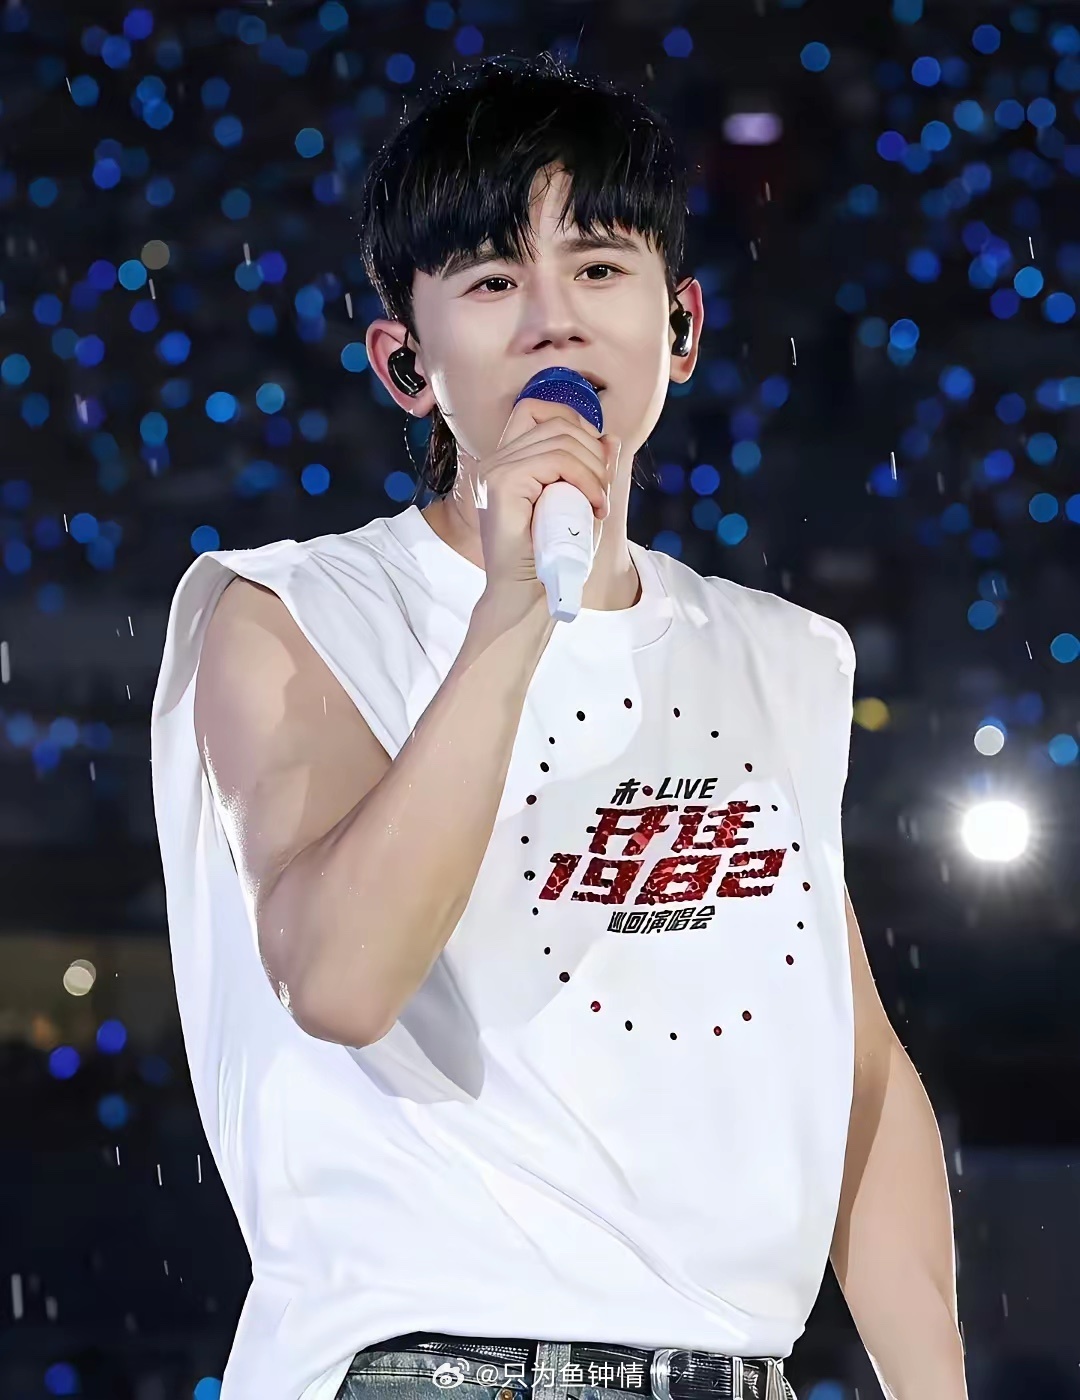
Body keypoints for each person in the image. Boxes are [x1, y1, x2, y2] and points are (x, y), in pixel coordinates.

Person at [150, 53, 966, 1400]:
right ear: (406, 364)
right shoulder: (294, 612)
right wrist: (516, 607)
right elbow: (341, 980)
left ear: (680, 326)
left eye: (597, 268)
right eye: (490, 283)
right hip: (423, 1371)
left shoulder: (783, 657)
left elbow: (856, 1071)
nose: (552, 322)